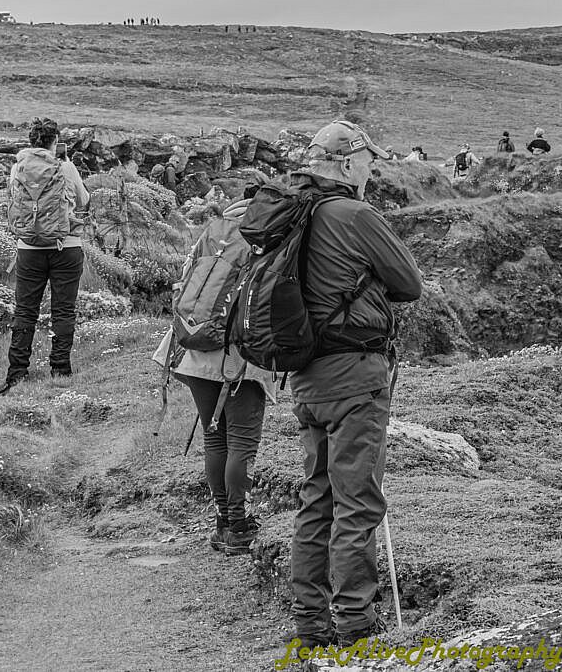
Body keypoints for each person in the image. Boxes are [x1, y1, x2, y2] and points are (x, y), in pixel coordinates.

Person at [287, 120, 422, 647]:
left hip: (306, 376)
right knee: (358, 501)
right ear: (346, 162)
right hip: (355, 377)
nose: (374, 169)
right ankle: (355, 625)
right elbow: (408, 283)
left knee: (316, 495)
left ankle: (310, 622)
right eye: (369, 160)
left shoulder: (294, 210)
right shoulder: (355, 213)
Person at [151, 175, 276, 555]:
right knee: (241, 442)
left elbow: (187, 280)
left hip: (192, 350)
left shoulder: (213, 229)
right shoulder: (267, 238)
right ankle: (238, 525)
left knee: (214, 436)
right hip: (238, 359)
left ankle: (223, 520)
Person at [0, 118, 89, 395]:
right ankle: (60, 368)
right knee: (63, 309)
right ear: (54, 141)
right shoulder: (66, 167)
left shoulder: (18, 167)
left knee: (26, 310)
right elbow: (83, 200)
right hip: (67, 246)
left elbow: (12, 201)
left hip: (29, 249)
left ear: (31, 140)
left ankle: (17, 373)